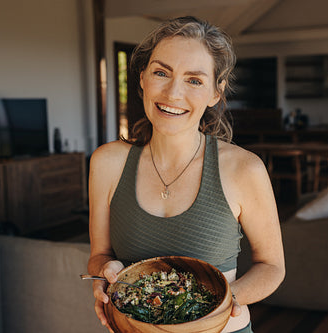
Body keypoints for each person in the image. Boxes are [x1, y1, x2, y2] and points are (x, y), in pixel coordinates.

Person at [87, 16, 285, 333]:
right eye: (161, 73)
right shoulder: (106, 163)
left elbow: (272, 266)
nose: (173, 93)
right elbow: (100, 255)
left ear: (215, 93)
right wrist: (103, 276)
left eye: (194, 80)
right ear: (142, 78)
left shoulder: (244, 168)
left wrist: (218, 303)